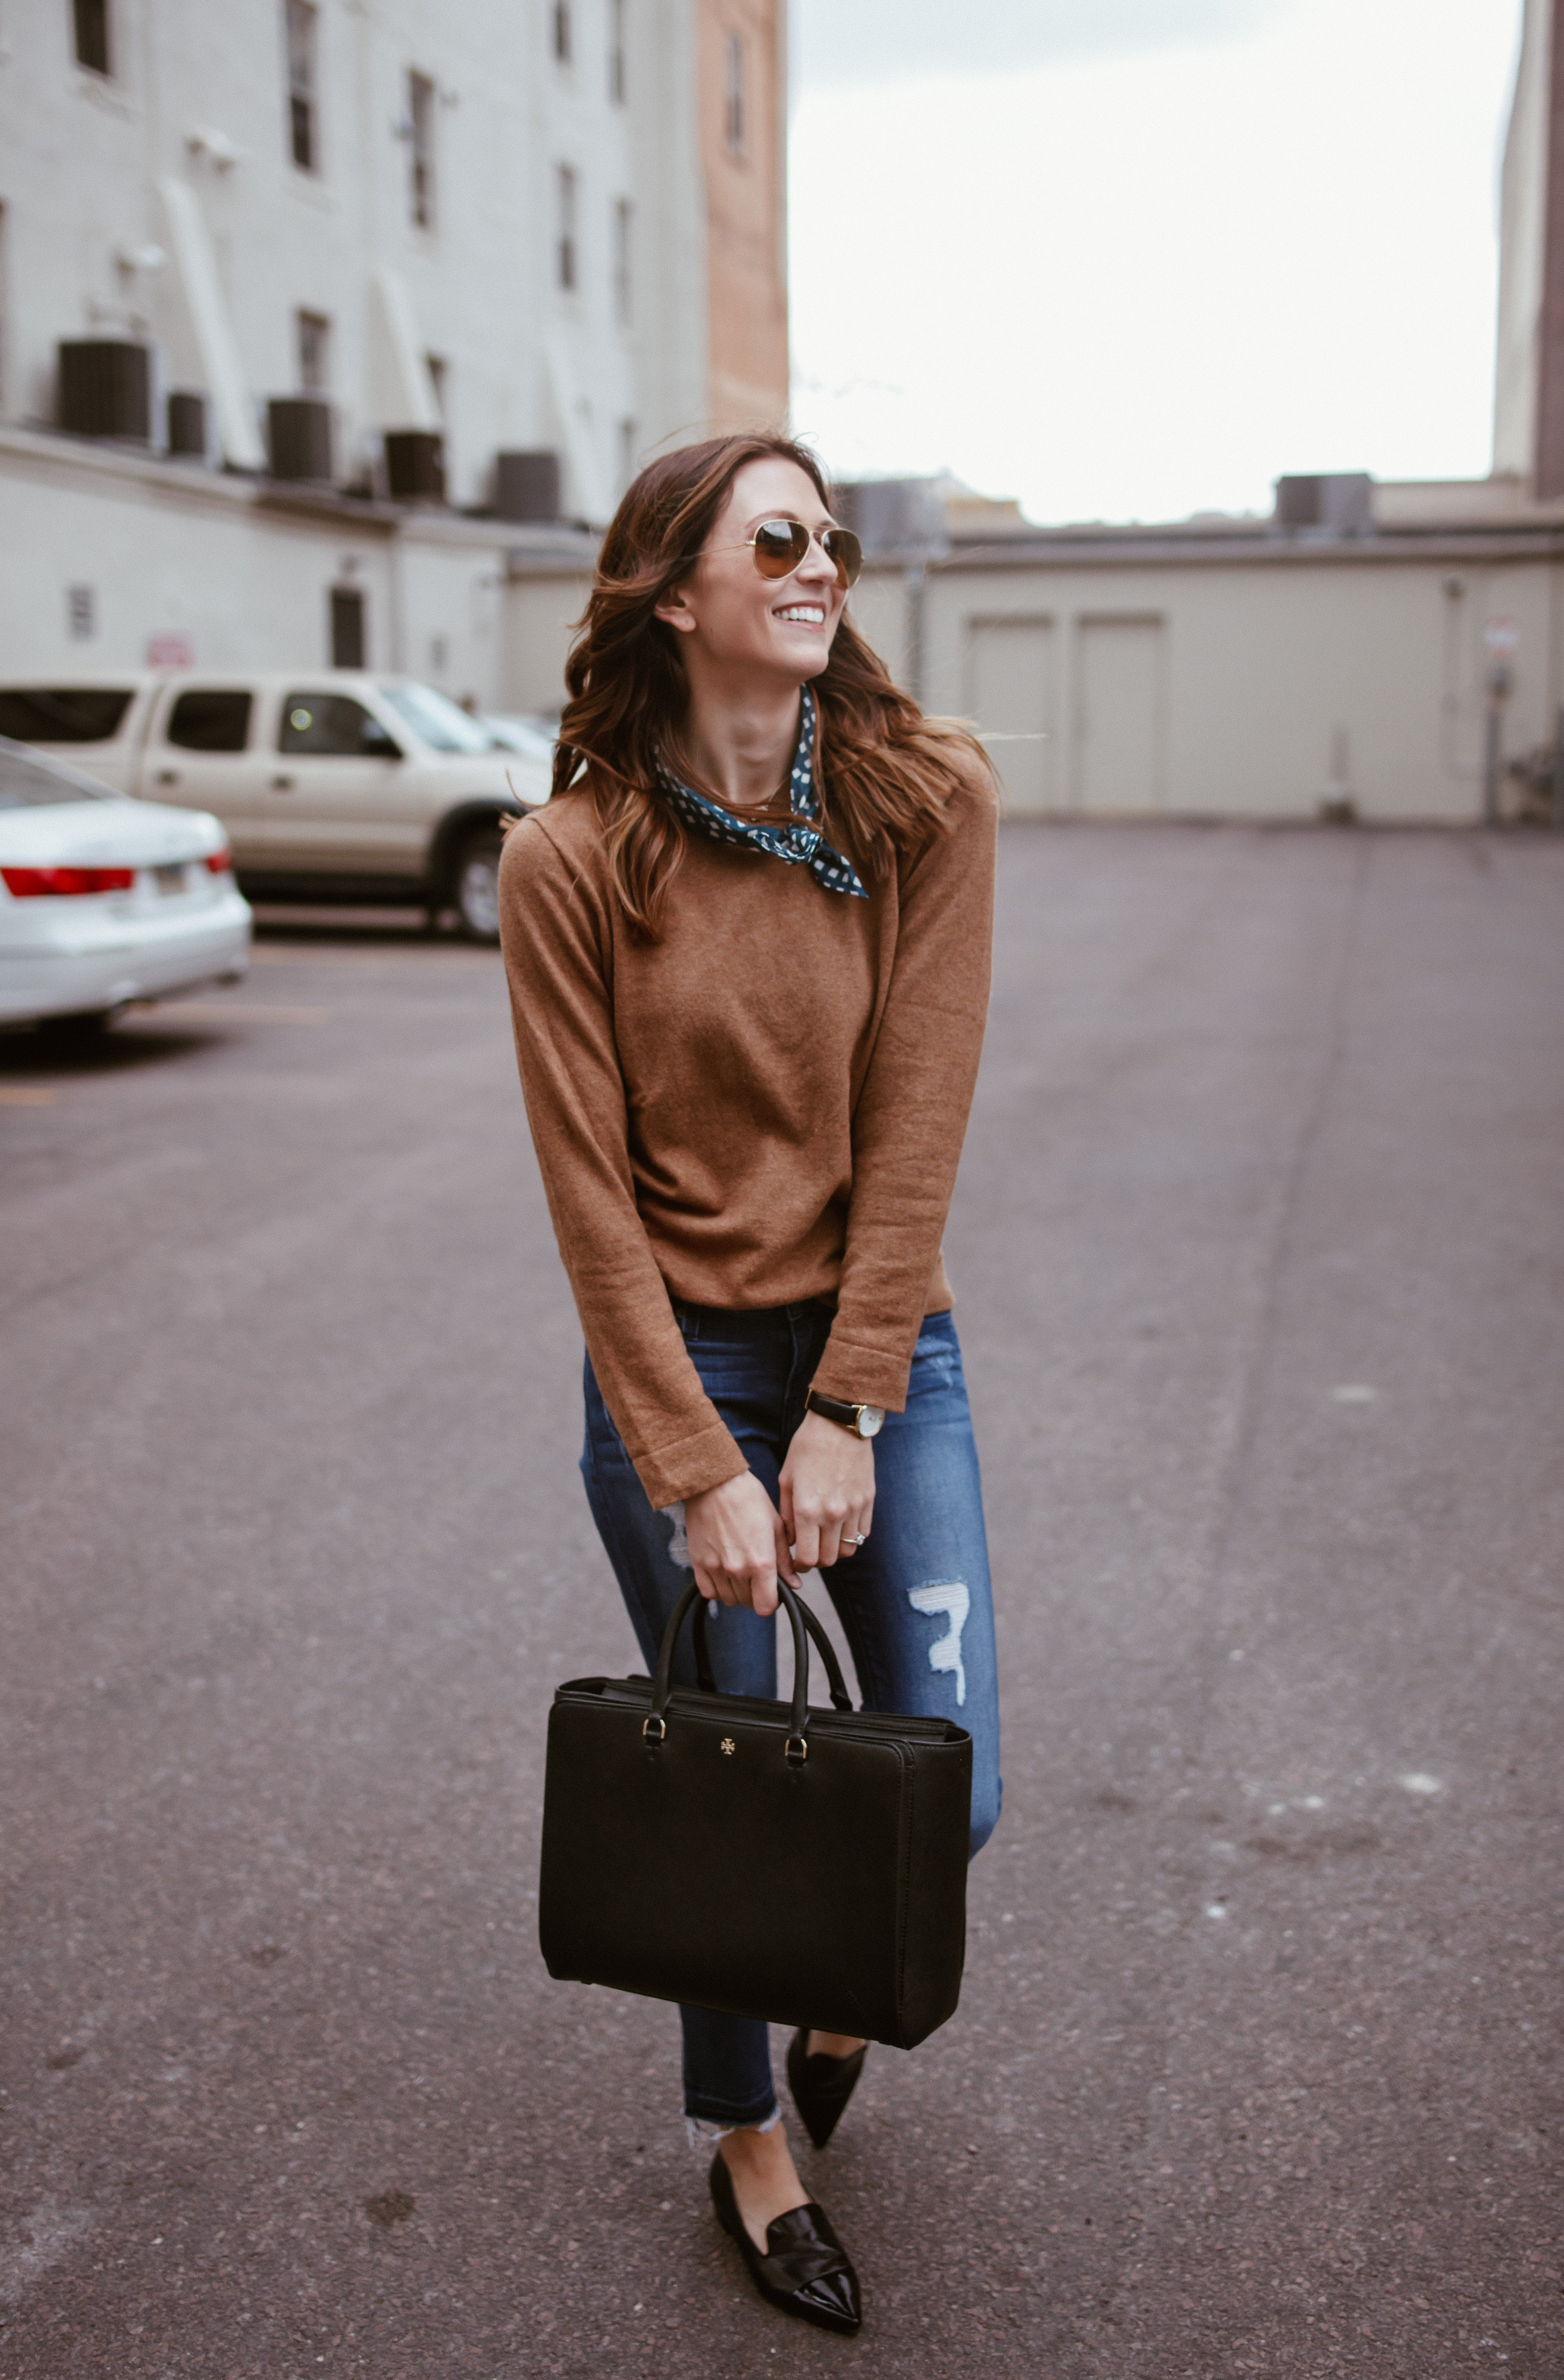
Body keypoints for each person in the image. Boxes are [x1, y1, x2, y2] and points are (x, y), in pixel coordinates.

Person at [499, 431, 1002, 2339]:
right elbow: (587, 1199)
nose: (820, 566)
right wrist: (699, 1459)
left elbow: (920, 1113)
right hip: (679, 1368)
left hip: (885, 1349)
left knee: (943, 1788)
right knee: (724, 1780)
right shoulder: (569, 862)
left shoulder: (916, 802)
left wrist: (849, 1405)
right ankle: (746, 2141)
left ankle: (838, 1991)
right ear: (672, 589)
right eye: (775, 538)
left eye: (834, 540)